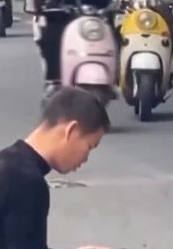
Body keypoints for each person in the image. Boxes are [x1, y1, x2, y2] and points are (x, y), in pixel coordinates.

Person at [0, 87, 111, 249]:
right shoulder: (26, 181)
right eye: (89, 146)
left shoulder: (7, 163)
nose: (86, 158)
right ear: (71, 131)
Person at [23, 0, 113, 103]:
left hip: (91, 21)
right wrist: (49, 4)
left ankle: (112, 73)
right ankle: (54, 80)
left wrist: (109, 7)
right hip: (62, 20)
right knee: (50, 35)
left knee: (112, 33)